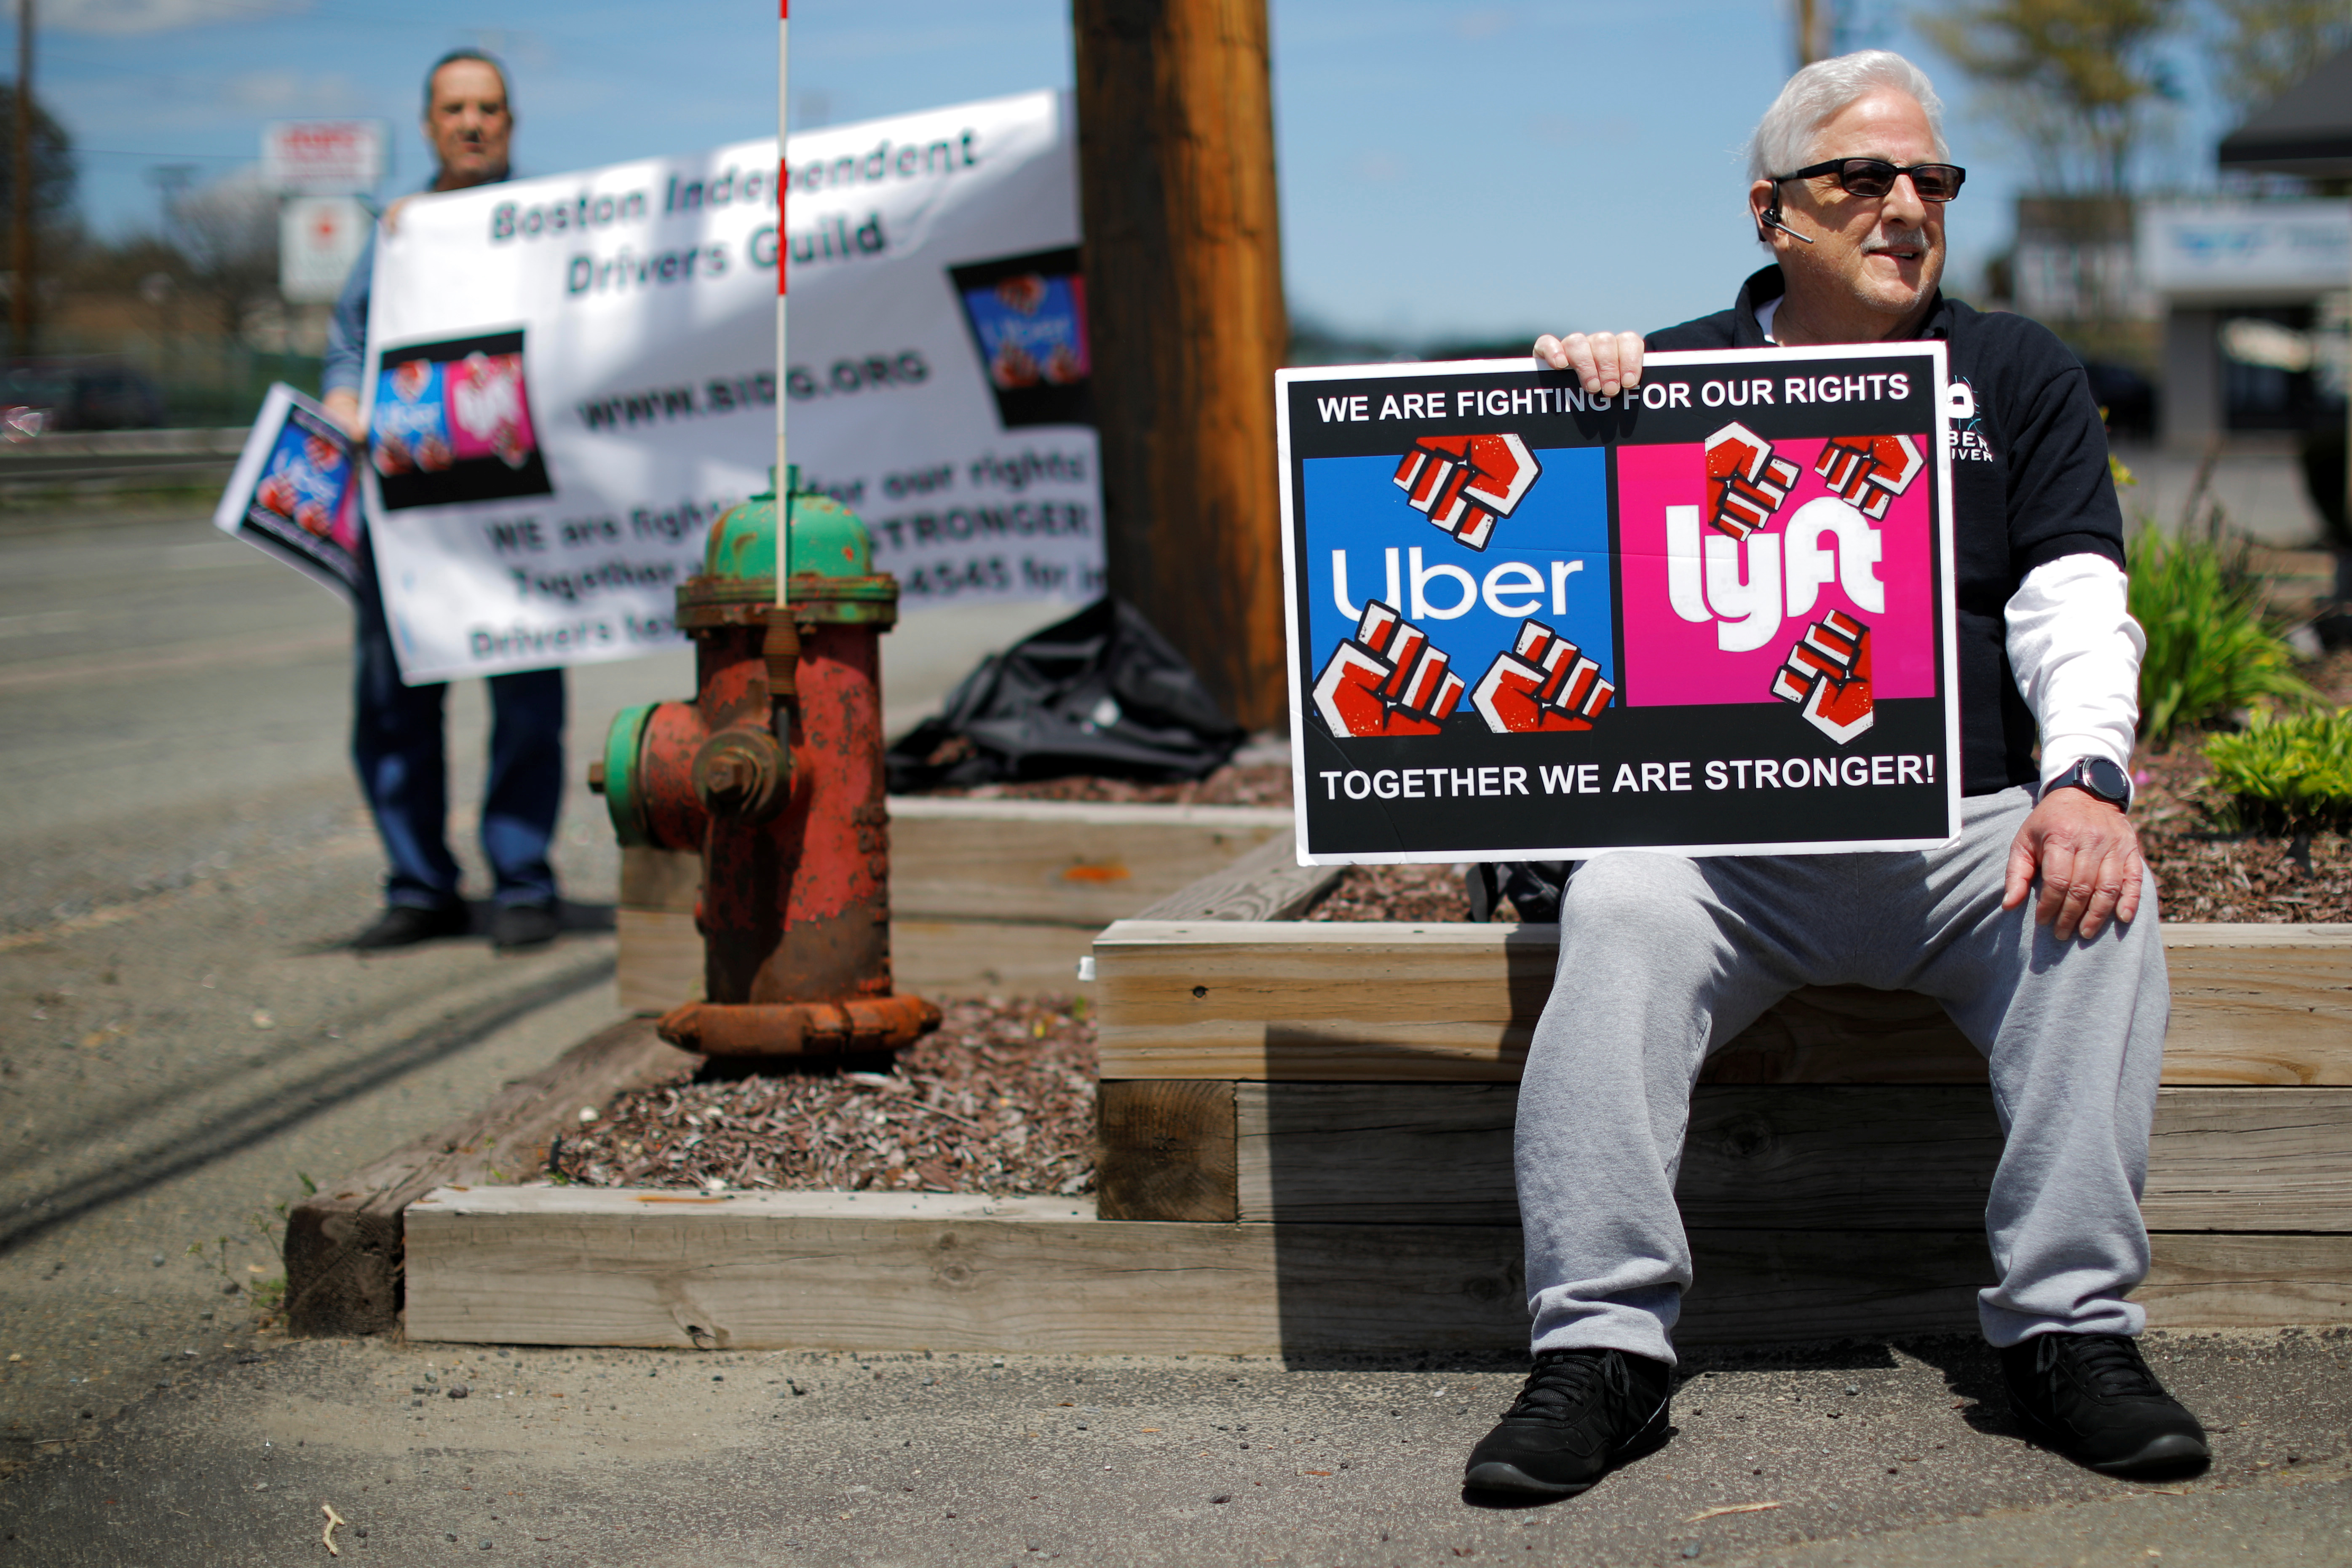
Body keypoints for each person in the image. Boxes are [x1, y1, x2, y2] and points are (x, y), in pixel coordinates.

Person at [1464, 50, 2207, 1500]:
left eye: (1929, 178)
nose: (1904, 207)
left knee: (2102, 908)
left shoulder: (2014, 370)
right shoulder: (1666, 371)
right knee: (1615, 907)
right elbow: (1517, 566)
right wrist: (1558, 409)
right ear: (1771, 214)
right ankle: (1600, 1354)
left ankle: (2069, 1334)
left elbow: (2070, 599)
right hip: (1731, 855)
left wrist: (2087, 780)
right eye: (1858, 178)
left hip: (1968, 835)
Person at [321, 51, 565, 952]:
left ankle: (524, 876)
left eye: (489, 108)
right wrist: (344, 399)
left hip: (514, 498)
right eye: (455, 109)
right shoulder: (398, 232)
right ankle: (420, 884)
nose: (472, 123)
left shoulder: (552, 224)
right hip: (408, 496)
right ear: (428, 126)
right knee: (393, 698)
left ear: (511, 121)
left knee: (528, 694)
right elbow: (348, 342)